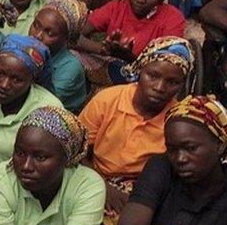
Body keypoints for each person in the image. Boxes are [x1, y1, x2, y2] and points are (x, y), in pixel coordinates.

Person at [110, 95, 227, 225]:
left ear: (219, 146)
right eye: (172, 149)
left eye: (190, 148)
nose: (180, 158)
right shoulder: (161, 166)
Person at [79, 37, 194, 208]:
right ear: (140, 70)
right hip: (96, 178)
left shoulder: (178, 118)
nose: (160, 87)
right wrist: (102, 186)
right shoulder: (108, 100)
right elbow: (76, 152)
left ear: (181, 85)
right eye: (153, 76)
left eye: (172, 82)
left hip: (147, 190)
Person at [0, 35, 64, 180]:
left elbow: (49, 170)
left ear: (32, 80)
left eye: (17, 79)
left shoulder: (49, 109)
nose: (4, 85)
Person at [76, 0, 186, 85]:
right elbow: (74, 35)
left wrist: (130, 58)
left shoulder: (173, 18)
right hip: (109, 66)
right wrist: (102, 49)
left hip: (146, 81)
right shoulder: (118, 7)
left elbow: (166, 68)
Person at [29, 0, 89, 113]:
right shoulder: (27, 46)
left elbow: (41, 103)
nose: (37, 36)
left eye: (50, 33)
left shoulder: (71, 68)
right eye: (36, 26)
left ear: (65, 39)